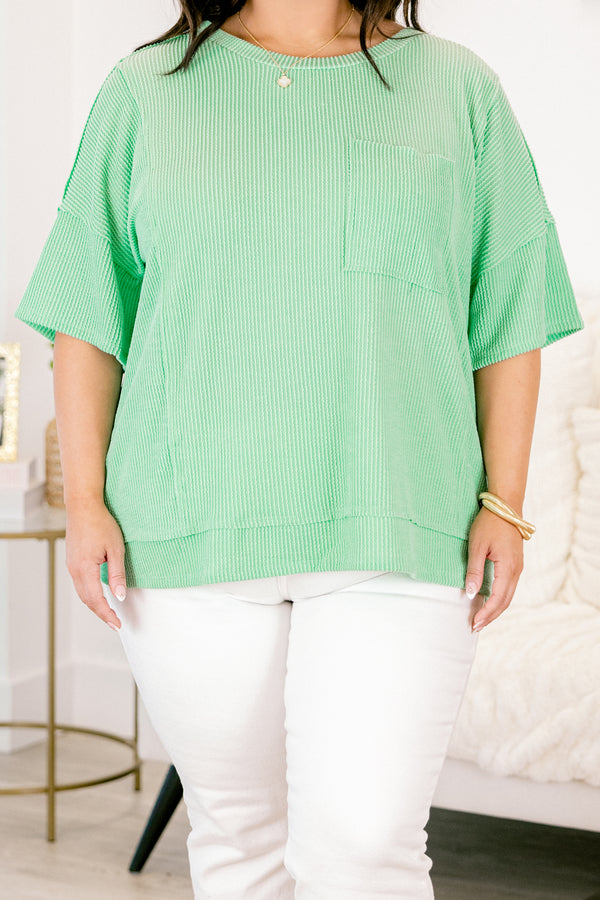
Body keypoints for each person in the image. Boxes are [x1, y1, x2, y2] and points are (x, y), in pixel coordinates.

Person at [14, 2, 585, 897]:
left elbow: (509, 306)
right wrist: (86, 503)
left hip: (399, 518)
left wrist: (504, 505)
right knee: (237, 839)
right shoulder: (144, 91)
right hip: (183, 525)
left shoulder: (457, 88)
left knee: (365, 846)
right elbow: (89, 317)